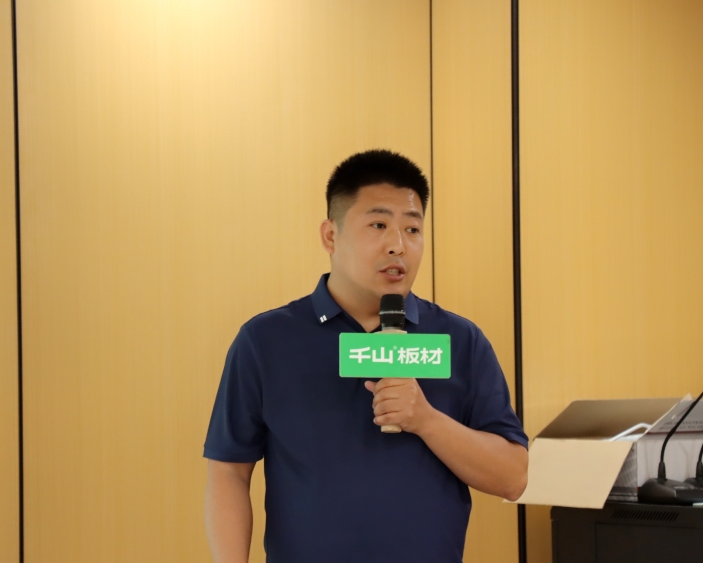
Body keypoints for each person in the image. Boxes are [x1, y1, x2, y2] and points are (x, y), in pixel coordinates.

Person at [203, 149, 528, 563]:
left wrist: (426, 421)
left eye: (412, 229)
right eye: (379, 225)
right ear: (330, 235)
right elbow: (229, 470)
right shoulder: (266, 340)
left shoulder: (461, 340)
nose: (398, 246)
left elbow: (513, 477)